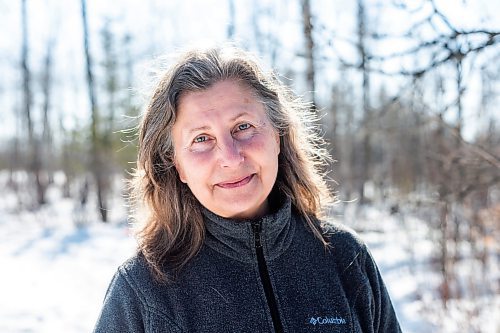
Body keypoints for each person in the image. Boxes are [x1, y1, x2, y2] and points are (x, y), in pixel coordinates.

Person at [94, 46, 402, 333]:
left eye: (243, 127)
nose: (229, 157)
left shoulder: (346, 258)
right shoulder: (141, 291)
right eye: (201, 139)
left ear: (278, 136)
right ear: (177, 165)